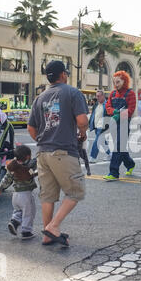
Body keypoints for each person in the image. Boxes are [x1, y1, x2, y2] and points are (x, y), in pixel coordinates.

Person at [27, 60, 89, 247]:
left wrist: (43, 139)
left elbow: (31, 127)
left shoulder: (40, 98)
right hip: (63, 151)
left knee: (48, 195)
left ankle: (48, 234)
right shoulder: (72, 92)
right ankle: (53, 227)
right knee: (76, 191)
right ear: (63, 74)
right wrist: (83, 132)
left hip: (43, 152)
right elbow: (82, 120)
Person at [0, 145, 37, 240]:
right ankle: (26, 231)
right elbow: (33, 170)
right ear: (27, 156)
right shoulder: (28, 166)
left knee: (18, 210)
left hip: (15, 195)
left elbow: (6, 179)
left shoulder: (12, 167)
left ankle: (14, 222)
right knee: (29, 213)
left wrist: (0, 189)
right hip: (25, 194)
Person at [103, 71, 136, 181]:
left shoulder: (130, 93)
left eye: (118, 82)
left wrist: (118, 114)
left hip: (124, 124)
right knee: (120, 148)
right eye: (114, 82)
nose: (116, 84)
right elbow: (107, 107)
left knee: (117, 147)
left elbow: (130, 110)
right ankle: (130, 164)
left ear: (124, 81)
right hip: (113, 123)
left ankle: (113, 172)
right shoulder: (112, 94)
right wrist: (115, 112)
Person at [88, 90, 111, 163]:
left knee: (97, 141)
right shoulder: (96, 104)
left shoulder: (107, 104)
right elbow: (93, 115)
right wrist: (90, 124)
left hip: (103, 127)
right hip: (96, 126)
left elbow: (109, 115)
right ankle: (110, 154)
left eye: (98, 96)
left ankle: (92, 157)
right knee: (102, 142)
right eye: (96, 96)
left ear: (103, 96)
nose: (97, 97)